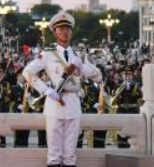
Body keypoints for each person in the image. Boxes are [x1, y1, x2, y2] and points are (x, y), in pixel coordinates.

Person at [24, 11, 102, 167]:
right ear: (55, 32)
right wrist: (45, 90)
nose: (65, 31)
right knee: (54, 155)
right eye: (61, 28)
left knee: (70, 155)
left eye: (68, 28)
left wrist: (82, 67)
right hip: (54, 103)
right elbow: (27, 72)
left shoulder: (79, 55)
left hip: (73, 103)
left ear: (72, 31)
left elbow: (98, 77)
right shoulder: (47, 54)